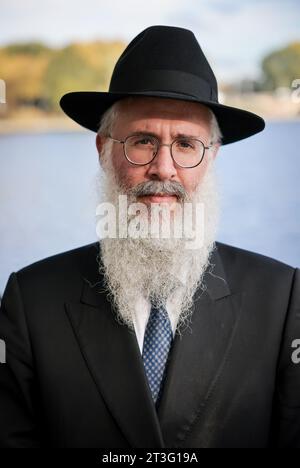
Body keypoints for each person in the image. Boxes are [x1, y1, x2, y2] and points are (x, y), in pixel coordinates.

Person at [0, 25, 299, 449]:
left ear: (211, 156)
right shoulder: (31, 302)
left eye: (185, 144)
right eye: (142, 142)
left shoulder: (282, 298)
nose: (164, 167)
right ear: (103, 150)